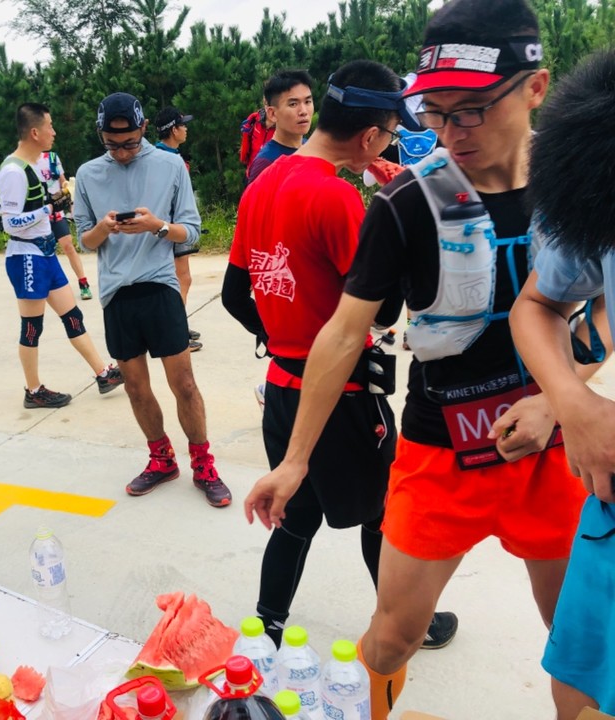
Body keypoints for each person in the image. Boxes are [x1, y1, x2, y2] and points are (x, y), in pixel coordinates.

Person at [243, 0, 590, 715]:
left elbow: (605, 307)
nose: (451, 132)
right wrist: (296, 460)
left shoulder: (582, 186)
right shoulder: (407, 203)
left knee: (576, 643)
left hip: (552, 450)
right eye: (435, 112)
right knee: (395, 636)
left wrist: (557, 397)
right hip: (440, 453)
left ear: (535, 87)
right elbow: (343, 334)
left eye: (473, 111)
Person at [223, 61, 455, 649]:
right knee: (383, 513)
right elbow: (382, 310)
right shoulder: (336, 198)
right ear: (370, 136)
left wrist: (283, 332)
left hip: (282, 388)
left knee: (293, 512)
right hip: (343, 396)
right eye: (389, 134)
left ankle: (266, 628)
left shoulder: (261, 185)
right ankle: (410, 623)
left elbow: (234, 292)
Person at [510, 49, 615, 718]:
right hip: (611, 504)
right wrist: (569, 402)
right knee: (576, 692)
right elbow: (543, 302)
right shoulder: (596, 148)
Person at [74, 92, 232, 508]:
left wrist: (157, 226)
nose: (122, 152)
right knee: (135, 388)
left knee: (184, 384)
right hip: (116, 293)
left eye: (130, 143)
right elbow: (84, 240)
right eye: (112, 144)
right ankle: (162, 460)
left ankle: (203, 464)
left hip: (160, 286)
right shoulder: (88, 174)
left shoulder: (170, 165)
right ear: (101, 135)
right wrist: (104, 229)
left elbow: (191, 231)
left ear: (144, 128)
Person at [0, 103, 124, 409]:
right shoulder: (13, 171)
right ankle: (33, 390)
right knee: (32, 327)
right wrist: (48, 208)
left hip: (45, 254)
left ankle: (103, 374)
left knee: (73, 316)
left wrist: (56, 202)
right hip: (26, 257)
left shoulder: (34, 165)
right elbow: (9, 223)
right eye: (50, 126)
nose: (54, 132)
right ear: (35, 132)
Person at [154, 106, 202, 353]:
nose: (186, 129)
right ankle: (176, 332)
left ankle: (177, 324)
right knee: (181, 278)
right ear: (173, 130)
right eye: (183, 125)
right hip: (174, 227)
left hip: (164, 227)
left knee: (175, 279)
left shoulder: (156, 154)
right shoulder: (170, 159)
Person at [33, 148, 93, 301]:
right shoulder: (25, 161)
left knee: (68, 246)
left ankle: (83, 283)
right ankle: (43, 286)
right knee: (42, 251)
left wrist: (70, 198)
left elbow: (63, 182)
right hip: (39, 215)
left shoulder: (52, 158)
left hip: (57, 213)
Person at [245, 70, 314, 184]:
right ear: (272, 114)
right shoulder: (266, 164)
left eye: (307, 101)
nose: (303, 111)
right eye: (293, 104)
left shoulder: (311, 149)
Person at [239, 101, 275, 174]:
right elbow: (246, 143)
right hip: (251, 173)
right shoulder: (254, 120)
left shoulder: (284, 128)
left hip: (270, 176)